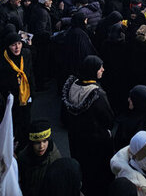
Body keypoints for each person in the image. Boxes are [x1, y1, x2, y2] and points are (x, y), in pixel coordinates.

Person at [61, 55, 114, 196]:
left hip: (75, 137)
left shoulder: (72, 86)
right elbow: (108, 118)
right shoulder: (97, 94)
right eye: (99, 67)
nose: (103, 69)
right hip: (94, 140)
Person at [17, 119, 62, 196]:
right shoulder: (23, 158)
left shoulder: (55, 159)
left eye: (44, 141)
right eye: (37, 142)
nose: (41, 146)